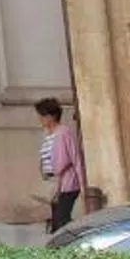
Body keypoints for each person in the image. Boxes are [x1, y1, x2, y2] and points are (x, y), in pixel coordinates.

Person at [36, 96, 84, 232]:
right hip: (53, 183)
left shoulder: (64, 133)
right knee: (57, 220)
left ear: (51, 116)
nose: (39, 119)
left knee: (62, 219)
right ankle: (58, 247)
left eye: (42, 115)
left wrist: (82, 182)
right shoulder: (48, 134)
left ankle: (67, 245)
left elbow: (75, 157)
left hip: (67, 183)